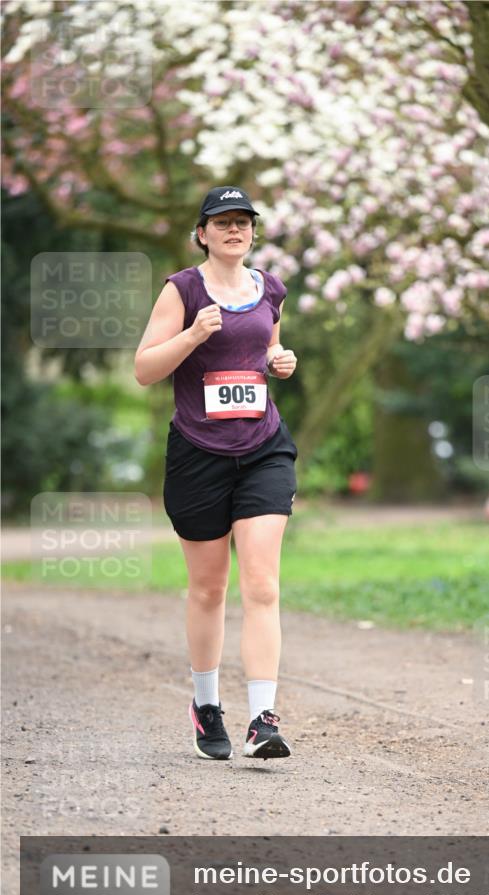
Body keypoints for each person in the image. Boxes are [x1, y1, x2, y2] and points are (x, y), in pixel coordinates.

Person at [134, 185, 298, 762]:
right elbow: (144, 370)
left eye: (244, 222)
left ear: (253, 232)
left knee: (262, 584)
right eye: (222, 221)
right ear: (202, 233)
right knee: (209, 588)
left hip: (262, 448)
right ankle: (206, 707)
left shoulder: (270, 288)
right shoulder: (182, 290)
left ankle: (262, 719)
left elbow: (268, 349)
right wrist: (194, 334)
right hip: (199, 453)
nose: (235, 230)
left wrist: (282, 360)